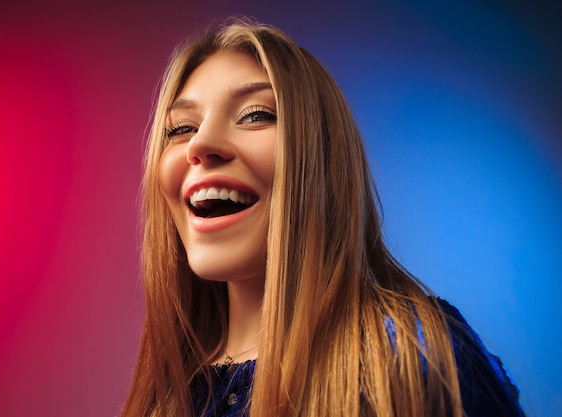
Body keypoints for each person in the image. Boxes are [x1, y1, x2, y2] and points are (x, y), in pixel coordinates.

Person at [122, 18, 525, 417]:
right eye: (181, 128)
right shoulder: (168, 396)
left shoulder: (416, 353)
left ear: (322, 161)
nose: (201, 143)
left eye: (255, 115)